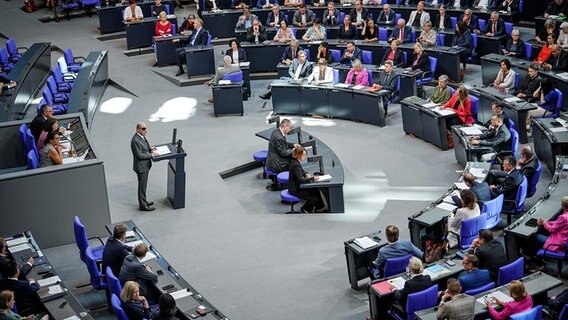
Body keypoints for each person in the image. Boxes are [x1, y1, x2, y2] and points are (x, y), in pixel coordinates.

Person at [527, 196, 568, 271]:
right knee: (541, 232)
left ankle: (537, 262)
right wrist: (547, 222)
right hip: (564, 240)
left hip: (558, 243)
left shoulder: (563, 217)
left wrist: (544, 224)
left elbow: (552, 230)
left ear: (563, 206)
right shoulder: (565, 216)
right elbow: (558, 223)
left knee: (533, 237)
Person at [131, 122, 159, 212]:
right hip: (141, 167)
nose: (145, 130)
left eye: (146, 128)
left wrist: (150, 148)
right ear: (138, 129)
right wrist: (152, 154)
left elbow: (144, 147)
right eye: (143, 129)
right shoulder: (135, 140)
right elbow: (140, 155)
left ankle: (144, 201)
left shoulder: (141, 137)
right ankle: (143, 206)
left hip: (144, 166)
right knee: (142, 187)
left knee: (143, 186)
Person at [288, 146, 325, 213]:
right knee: (314, 199)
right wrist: (313, 178)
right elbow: (300, 180)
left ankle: (319, 207)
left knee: (315, 189)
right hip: (295, 189)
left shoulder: (295, 161)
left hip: (297, 186)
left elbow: (302, 171)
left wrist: (305, 174)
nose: (305, 156)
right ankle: (305, 209)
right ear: (298, 154)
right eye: (303, 155)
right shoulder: (296, 165)